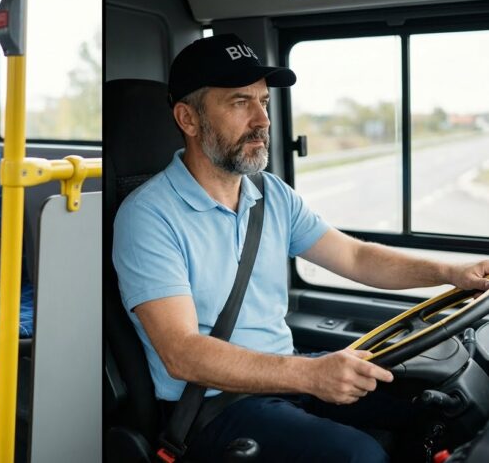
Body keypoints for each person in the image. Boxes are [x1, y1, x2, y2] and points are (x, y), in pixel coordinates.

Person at [112, 33, 489, 462]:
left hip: (286, 375)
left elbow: (354, 256)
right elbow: (181, 352)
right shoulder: (148, 217)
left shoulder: (270, 193)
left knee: (438, 406)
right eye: (240, 102)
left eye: (264, 102)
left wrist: (449, 273)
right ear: (188, 119)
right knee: (358, 456)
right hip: (213, 406)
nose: (262, 120)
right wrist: (310, 374)